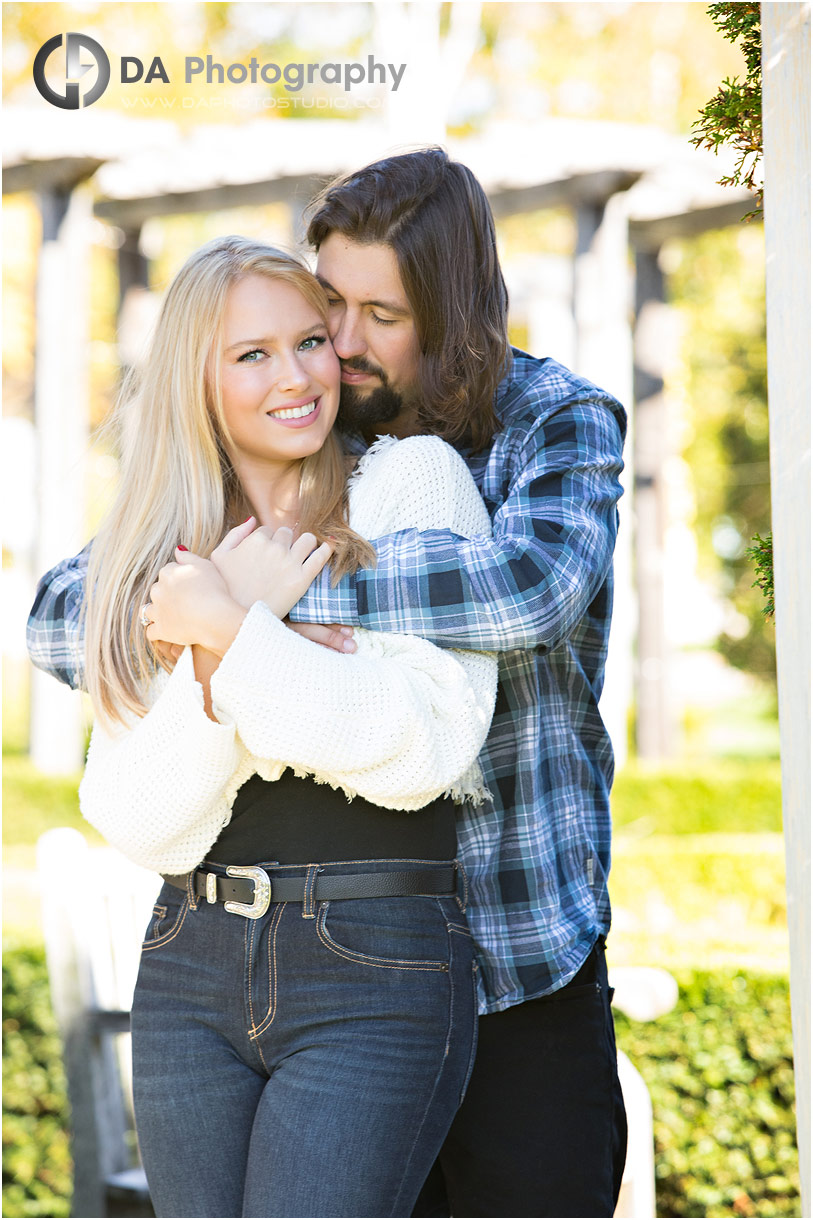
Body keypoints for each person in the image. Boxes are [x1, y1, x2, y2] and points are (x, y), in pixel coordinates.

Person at [28, 147, 628, 1218]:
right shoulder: (310, 429)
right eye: (325, 308)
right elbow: (65, 616)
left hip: (514, 942)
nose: (335, 349)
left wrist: (249, 615)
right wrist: (204, 611)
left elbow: (528, 590)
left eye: (375, 316)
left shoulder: (544, 423)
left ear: (458, 310)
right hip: (263, 957)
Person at [69, 235, 498, 1219]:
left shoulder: (411, 484)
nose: (299, 375)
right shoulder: (157, 549)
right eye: (252, 355)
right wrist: (287, 651)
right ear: (197, 380)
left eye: (310, 341)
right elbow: (140, 816)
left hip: (376, 962)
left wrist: (223, 632)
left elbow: (422, 751)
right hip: (188, 962)